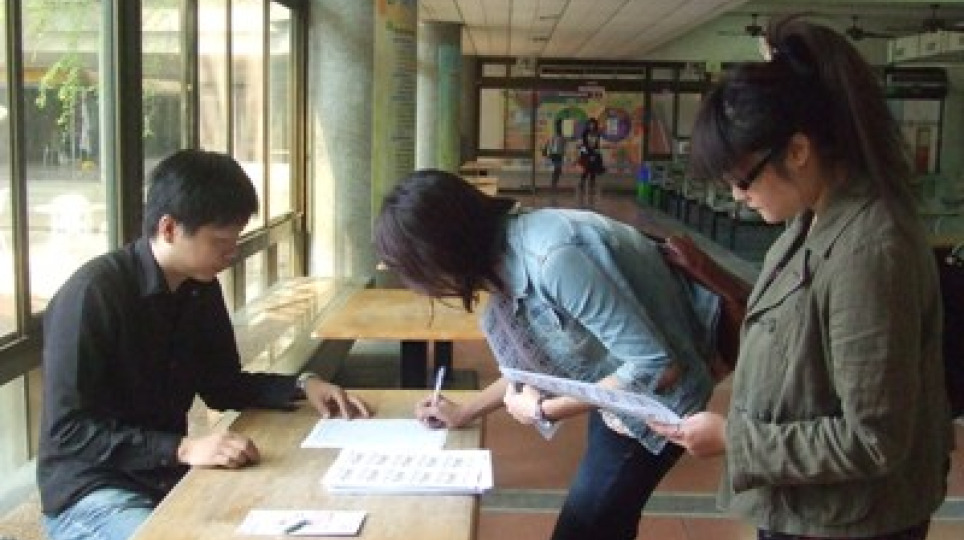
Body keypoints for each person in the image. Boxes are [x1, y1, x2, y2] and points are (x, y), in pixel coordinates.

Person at [648, 16, 953, 540]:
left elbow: (873, 438)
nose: (737, 195)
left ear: (797, 150)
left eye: (743, 178)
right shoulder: (812, 220)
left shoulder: (869, 250)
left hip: (851, 521)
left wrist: (736, 440)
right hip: (810, 504)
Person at [38, 149, 372, 540]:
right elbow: (69, 431)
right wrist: (181, 449)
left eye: (236, 239)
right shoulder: (92, 295)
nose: (232, 253)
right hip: (92, 491)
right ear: (168, 229)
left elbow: (222, 385)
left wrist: (302, 385)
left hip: (164, 478)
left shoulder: (199, 286)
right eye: (220, 241)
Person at [374, 168, 723, 540]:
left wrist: (544, 410)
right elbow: (528, 370)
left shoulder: (555, 258)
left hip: (657, 404)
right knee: (603, 523)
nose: (418, 287)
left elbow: (657, 366)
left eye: (415, 272)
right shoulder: (507, 250)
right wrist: (464, 412)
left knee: (586, 528)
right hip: (615, 386)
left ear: (443, 251)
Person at [577, 117, 602, 194]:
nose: (591, 126)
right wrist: (585, 153)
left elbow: (597, 145)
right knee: (586, 168)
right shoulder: (585, 133)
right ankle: (582, 183)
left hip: (594, 153)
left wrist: (595, 153)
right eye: (590, 124)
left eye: (593, 124)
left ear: (595, 125)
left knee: (593, 170)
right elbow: (583, 144)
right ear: (588, 125)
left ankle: (592, 185)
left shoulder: (597, 133)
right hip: (586, 153)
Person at [544, 118, 567, 193]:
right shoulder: (554, 135)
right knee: (557, 169)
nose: (560, 126)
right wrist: (548, 153)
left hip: (559, 154)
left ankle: (554, 185)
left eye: (560, 125)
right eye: (559, 125)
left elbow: (563, 146)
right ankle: (553, 185)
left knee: (558, 170)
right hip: (554, 154)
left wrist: (563, 154)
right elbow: (549, 144)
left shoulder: (562, 135)